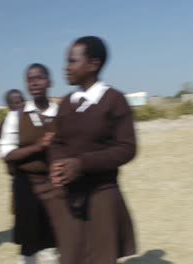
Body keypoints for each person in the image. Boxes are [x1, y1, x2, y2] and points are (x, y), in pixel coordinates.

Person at [48, 36, 137, 264]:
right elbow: (57, 141)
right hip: (71, 197)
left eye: (71, 61)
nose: (65, 68)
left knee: (100, 257)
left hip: (102, 195)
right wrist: (57, 164)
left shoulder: (114, 100)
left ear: (93, 64)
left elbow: (127, 148)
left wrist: (82, 164)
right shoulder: (68, 102)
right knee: (71, 256)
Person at [0, 64, 58, 264]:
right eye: (30, 79)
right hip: (27, 185)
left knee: (56, 240)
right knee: (29, 244)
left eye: (39, 77)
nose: (34, 82)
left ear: (50, 82)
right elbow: (5, 153)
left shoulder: (61, 112)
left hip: (56, 185)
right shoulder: (16, 115)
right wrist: (38, 147)